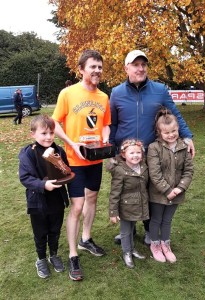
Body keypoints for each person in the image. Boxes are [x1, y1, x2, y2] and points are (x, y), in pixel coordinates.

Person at [109, 49, 195, 246]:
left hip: (152, 153)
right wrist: (112, 151)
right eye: (136, 65)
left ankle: (149, 230)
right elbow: (112, 124)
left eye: (143, 65)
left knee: (149, 193)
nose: (141, 68)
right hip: (125, 155)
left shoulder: (159, 90)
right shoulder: (116, 93)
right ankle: (127, 231)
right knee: (125, 192)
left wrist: (187, 137)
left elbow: (175, 114)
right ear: (126, 68)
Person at [52, 49, 111, 281]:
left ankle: (86, 239)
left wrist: (105, 137)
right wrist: (71, 143)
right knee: (77, 206)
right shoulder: (67, 93)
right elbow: (54, 122)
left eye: (99, 67)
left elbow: (106, 123)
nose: (97, 70)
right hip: (75, 160)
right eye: (92, 67)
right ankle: (73, 255)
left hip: (95, 159)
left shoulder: (104, 97)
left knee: (93, 198)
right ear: (81, 70)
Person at [18, 115, 69, 279]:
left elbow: (65, 170)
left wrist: (66, 174)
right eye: (44, 133)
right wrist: (42, 185)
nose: (48, 137)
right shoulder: (28, 153)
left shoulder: (59, 151)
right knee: (40, 232)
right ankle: (41, 258)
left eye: (51, 133)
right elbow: (25, 178)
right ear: (33, 134)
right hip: (37, 202)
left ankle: (53, 254)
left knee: (55, 229)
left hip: (57, 200)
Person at [147, 107, 194, 263]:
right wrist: (167, 190)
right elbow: (155, 173)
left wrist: (180, 188)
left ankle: (165, 245)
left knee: (167, 220)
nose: (171, 135)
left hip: (177, 192)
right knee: (156, 219)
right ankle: (155, 245)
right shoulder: (154, 148)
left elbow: (188, 171)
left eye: (173, 131)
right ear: (159, 132)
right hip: (158, 193)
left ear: (178, 128)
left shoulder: (184, 147)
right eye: (166, 133)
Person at [107, 139, 149, 268]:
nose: (135, 155)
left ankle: (132, 249)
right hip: (125, 206)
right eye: (131, 153)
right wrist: (113, 212)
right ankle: (127, 252)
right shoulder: (120, 171)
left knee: (132, 229)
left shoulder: (143, 166)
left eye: (138, 152)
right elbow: (114, 193)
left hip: (137, 205)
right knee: (125, 231)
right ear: (124, 154)